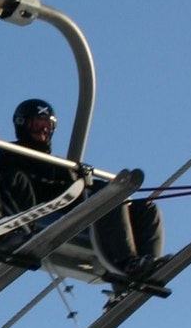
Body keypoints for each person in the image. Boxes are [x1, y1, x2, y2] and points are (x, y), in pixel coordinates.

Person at [10, 96, 164, 275]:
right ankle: (127, 261)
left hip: (75, 203)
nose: (43, 131)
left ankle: (149, 261)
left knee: (146, 208)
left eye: (47, 126)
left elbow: (70, 184)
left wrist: (81, 178)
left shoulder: (57, 163)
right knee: (106, 195)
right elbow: (28, 187)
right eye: (37, 125)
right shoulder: (13, 155)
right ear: (22, 124)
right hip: (52, 208)